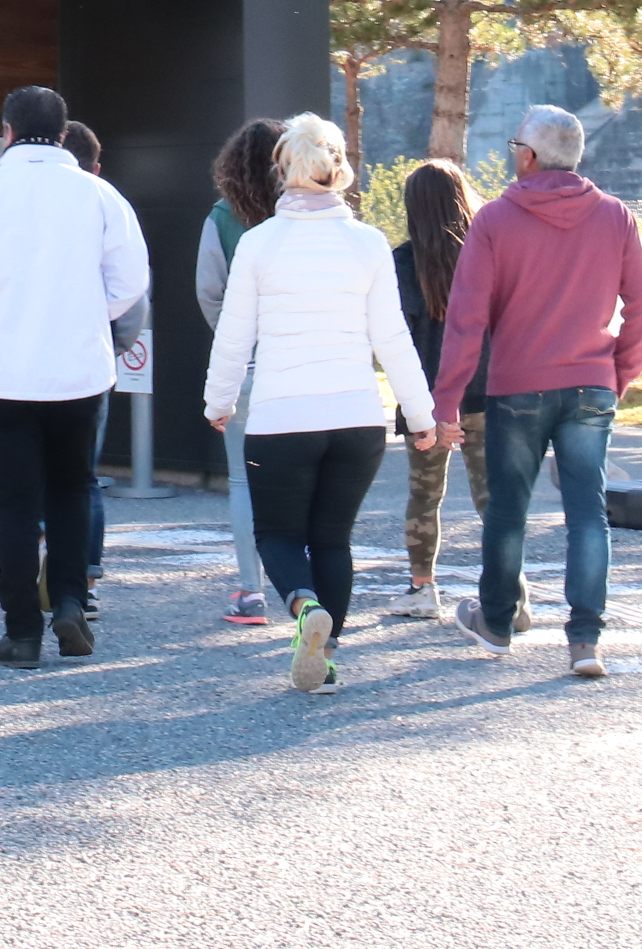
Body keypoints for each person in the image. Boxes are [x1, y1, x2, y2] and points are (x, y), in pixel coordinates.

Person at [203, 114, 443, 695]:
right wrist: (422, 414)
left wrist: (219, 400)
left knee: (278, 534)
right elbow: (392, 339)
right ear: (340, 171)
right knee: (334, 537)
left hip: (283, 416)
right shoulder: (368, 244)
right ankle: (327, 656)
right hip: (356, 418)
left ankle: (305, 608)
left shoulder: (258, 244)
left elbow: (235, 334)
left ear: (283, 169)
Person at [0, 85, 151, 669]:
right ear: (62, 133)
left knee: (14, 504)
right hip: (79, 371)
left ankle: (22, 630)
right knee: (74, 489)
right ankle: (73, 602)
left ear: (6, 130)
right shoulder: (101, 196)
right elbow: (131, 283)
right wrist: (87, 315)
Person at [436, 105, 642, 681]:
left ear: (528, 156)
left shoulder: (493, 221)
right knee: (589, 513)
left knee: (509, 510)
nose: (513, 155)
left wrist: (448, 402)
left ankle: (497, 624)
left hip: (520, 387)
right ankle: (585, 640)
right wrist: (620, 373)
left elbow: (466, 319)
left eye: (515, 146)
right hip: (591, 384)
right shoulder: (616, 217)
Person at [383, 160, 496, 623]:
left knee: (424, 497)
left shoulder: (401, 263)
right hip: (488, 395)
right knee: (493, 498)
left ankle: (422, 589)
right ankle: (509, 591)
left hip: (424, 400)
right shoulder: (488, 253)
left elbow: (393, 336)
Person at [196, 118, 284, 625]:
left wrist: (234, 340)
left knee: (242, 483)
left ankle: (251, 594)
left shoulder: (221, 218)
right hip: (302, 366)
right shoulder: (306, 216)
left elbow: (210, 291)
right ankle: (306, 587)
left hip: (249, 365)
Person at [62, 119, 146, 618]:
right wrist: (111, 341)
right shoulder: (109, 205)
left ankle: (36, 576)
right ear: (96, 165)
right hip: (90, 363)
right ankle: (86, 580)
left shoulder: (29, 206)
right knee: (83, 478)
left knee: (28, 477)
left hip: (22, 367)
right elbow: (133, 294)